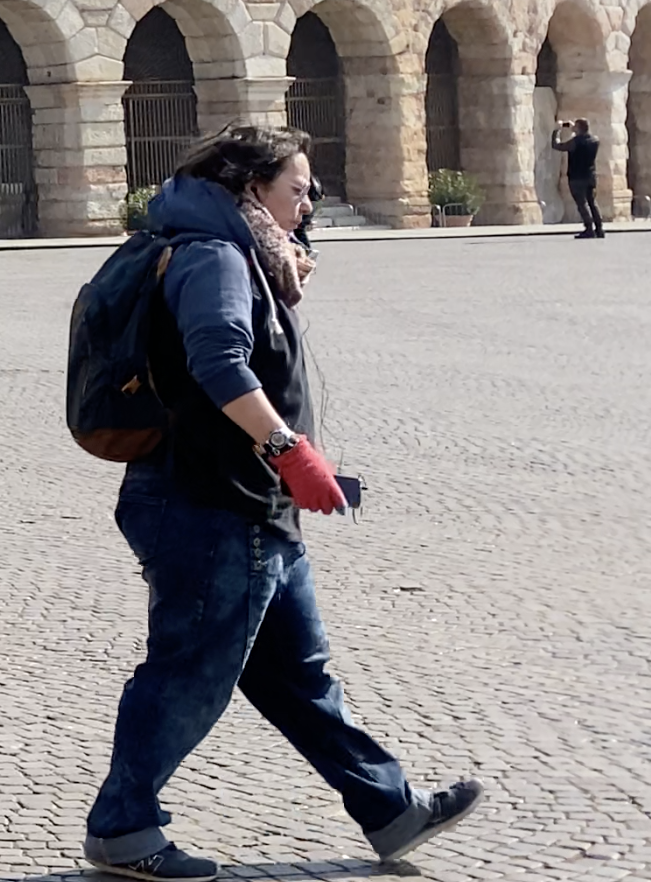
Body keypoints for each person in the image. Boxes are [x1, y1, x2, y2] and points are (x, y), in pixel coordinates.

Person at [83, 125, 482, 878]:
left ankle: (388, 809)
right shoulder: (213, 257)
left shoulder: (231, 248)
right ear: (249, 191)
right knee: (189, 671)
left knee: (299, 675)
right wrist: (287, 450)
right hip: (207, 501)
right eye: (296, 190)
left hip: (250, 504)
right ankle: (122, 826)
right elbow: (219, 361)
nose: (307, 205)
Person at [561, 119, 604, 239]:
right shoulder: (595, 140)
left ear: (579, 127)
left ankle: (589, 229)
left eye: (575, 126)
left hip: (576, 177)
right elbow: (583, 138)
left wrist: (556, 130)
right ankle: (599, 229)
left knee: (582, 204)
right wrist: (574, 129)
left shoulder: (575, 142)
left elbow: (557, 145)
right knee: (592, 203)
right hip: (590, 176)